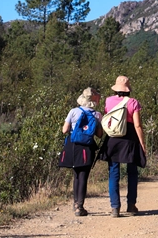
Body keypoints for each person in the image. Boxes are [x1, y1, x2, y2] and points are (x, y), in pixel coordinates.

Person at [100, 76, 147, 218]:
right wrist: (143, 144)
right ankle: (131, 205)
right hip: (130, 139)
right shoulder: (133, 102)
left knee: (114, 173)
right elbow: (137, 125)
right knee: (132, 173)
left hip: (113, 139)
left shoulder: (108, 101)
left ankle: (115, 207)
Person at [61, 87, 103, 217]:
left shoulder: (73, 111)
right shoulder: (97, 115)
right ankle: (80, 206)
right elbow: (100, 135)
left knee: (76, 175)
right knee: (84, 176)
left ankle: (75, 204)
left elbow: (64, 130)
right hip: (87, 147)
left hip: (73, 145)